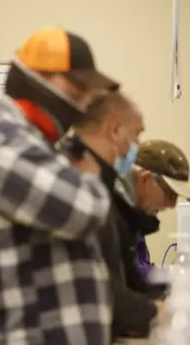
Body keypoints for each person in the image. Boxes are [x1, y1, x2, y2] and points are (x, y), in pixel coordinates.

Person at [0, 27, 120, 345]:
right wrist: (91, 160)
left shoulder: (35, 145)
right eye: (76, 87)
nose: (82, 102)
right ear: (33, 78)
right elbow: (85, 210)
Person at [71, 92, 163, 339]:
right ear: (115, 130)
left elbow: (121, 270)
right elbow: (93, 282)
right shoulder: (76, 184)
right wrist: (154, 311)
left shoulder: (103, 183)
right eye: (136, 134)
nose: (138, 145)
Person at [128, 140, 190, 278]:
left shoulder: (135, 221)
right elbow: (131, 276)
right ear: (146, 179)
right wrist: (174, 275)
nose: (172, 205)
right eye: (169, 194)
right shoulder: (115, 217)